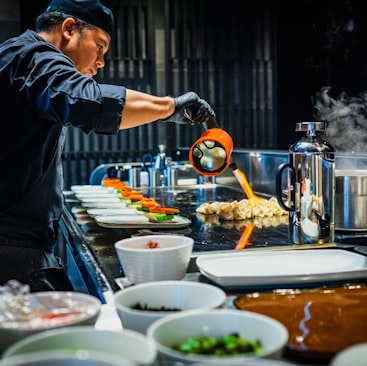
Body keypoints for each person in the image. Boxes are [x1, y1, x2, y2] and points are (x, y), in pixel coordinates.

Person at [0, 0, 215, 291]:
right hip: (11, 247)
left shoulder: (17, 54)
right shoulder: (36, 56)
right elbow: (89, 102)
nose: (101, 61)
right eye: (99, 46)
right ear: (69, 29)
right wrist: (171, 106)